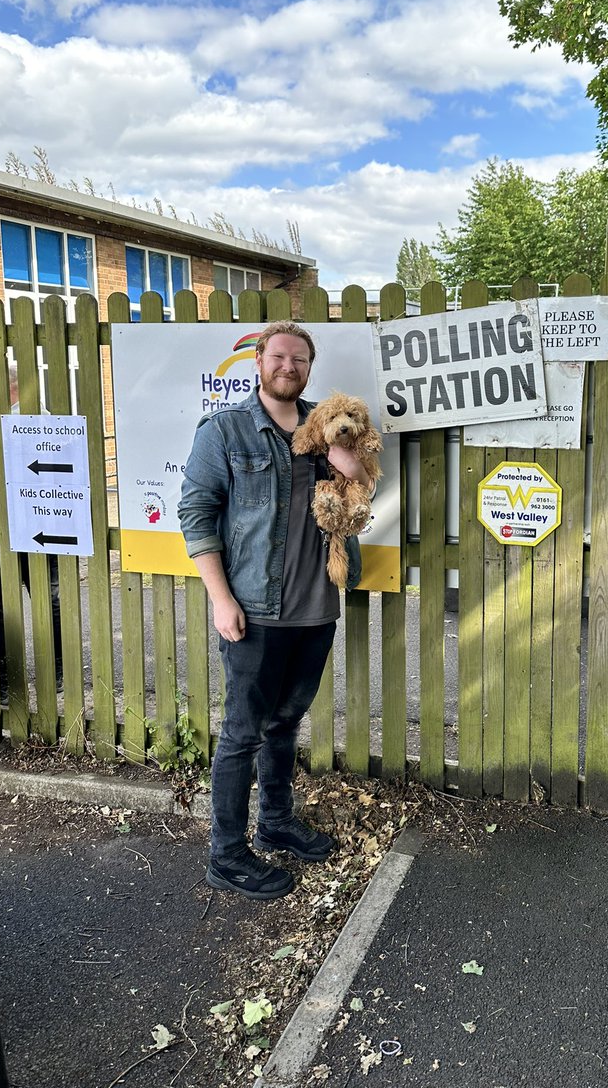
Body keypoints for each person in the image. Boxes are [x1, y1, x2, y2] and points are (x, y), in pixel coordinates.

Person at [178, 321, 373, 901]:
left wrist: (352, 466)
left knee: (286, 723)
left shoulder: (329, 426)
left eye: (300, 359)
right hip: (255, 612)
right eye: (279, 357)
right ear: (259, 360)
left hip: (316, 608)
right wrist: (221, 599)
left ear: (309, 367)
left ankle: (277, 822)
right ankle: (228, 855)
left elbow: (363, 495)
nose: (289, 367)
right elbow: (196, 513)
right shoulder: (226, 431)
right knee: (242, 734)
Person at [0, 366, 63, 697]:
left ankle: (4, 680)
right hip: (46, 524)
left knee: (0, 602)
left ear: (8, 389)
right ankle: (59, 672)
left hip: (2, 530)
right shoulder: (55, 426)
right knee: (50, 598)